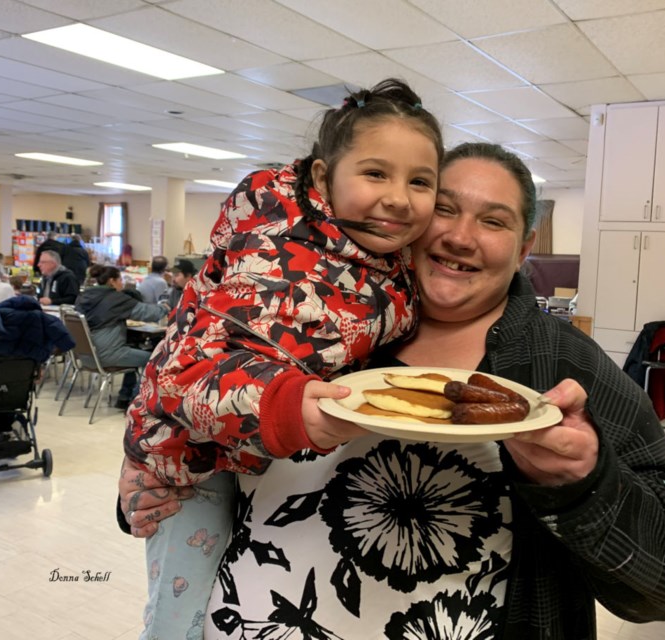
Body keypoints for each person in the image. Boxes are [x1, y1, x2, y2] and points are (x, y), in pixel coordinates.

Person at [120, 142, 665, 639]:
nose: (460, 237)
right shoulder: (319, 327)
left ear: (525, 247)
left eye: (494, 221)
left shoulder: (560, 370)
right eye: (445, 210)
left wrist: (585, 486)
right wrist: (150, 480)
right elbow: (193, 402)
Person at [123, 78, 443, 640]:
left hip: (258, 464)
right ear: (323, 177)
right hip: (188, 462)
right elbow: (189, 370)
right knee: (181, 623)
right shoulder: (278, 249)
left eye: (420, 181)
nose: (399, 197)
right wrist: (287, 405)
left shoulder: (382, 254)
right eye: (375, 173)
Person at [73, 265, 168, 410]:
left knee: (133, 349)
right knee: (155, 359)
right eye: (120, 280)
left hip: (86, 355)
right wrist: (165, 307)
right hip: (107, 354)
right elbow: (149, 313)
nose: (122, 284)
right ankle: (136, 402)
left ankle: (124, 397)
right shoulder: (115, 299)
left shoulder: (84, 297)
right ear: (112, 281)